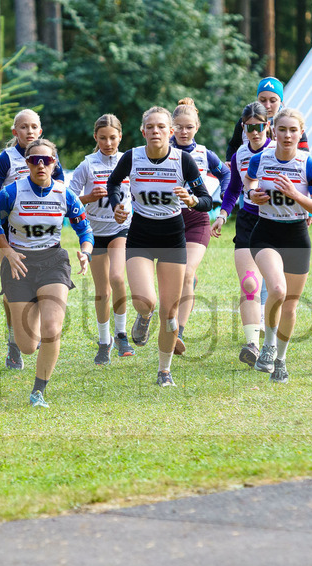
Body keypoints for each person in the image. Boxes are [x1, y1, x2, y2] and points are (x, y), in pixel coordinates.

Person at [106, 106, 213, 387]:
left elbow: (205, 199)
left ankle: (164, 371)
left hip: (172, 237)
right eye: (150, 127)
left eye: (161, 127)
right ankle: (143, 316)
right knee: (146, 301)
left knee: (170, 312)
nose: (155, 131)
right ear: (143, 132)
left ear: (171, 132)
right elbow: (113, 183)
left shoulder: (183, 160)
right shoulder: (132, 157)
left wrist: (191, 201)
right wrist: (117, 204)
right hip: (141, 235)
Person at [0, 138, 93, 407]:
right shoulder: (11, 193)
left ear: (54, 163)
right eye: (35, 160)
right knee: (26, 345)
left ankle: (38, 391)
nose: (41, 165)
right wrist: (7, 250)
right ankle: (25, 318)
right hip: (18, 263)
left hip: (53, 262)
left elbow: (84, 229)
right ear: (27, 164)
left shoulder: (64, 194)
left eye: (46, 160)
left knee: (52, 328)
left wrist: (85, 251)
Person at [245, 108, 312, 382]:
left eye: (293, 130)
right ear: (273, 130)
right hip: (266, 233)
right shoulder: (261, 159)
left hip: (296, 237)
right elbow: (249, 181)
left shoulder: (309, 164)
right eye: (282, 129)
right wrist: (252, 194)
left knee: (290, 305)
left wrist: (295, 195)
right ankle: (267, 347)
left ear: (301, 133)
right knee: (277, 289)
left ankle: (280, 359)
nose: (288, 135)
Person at [0, 109, 66, 370]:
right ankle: (14, 341)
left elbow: (61, 192)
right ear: (14, 132)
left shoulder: (49, 156)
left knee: (42, 286)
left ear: (40, 131)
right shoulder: (6, 159)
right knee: (12, 292)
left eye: (33, 127)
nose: (29, 131)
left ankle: (35, 329)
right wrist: (15, 195)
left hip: (43, 236)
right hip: (10, 234)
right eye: (23, 127)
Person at [68, 113, 135, 364]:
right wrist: (87, 199)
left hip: (120, 228)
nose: (108, 143)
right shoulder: (87, 165)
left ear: (120, 137)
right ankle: (104, 341)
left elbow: (138, 194)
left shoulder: (129, 161)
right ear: (96, 137)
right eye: (103, 138)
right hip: (94, 232)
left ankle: (121, 334)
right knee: (102, 290)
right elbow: (68, 198)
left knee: (117, 278)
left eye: (113, 138)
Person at [170, 97, 231, 355]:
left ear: (197, 127)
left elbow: (227, 174)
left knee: (185, 273)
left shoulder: (205, 154)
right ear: (171, 127)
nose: (184, 132)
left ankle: (178, 333)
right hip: (167, 221)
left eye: (189, 127)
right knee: (178, 277)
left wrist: (222, 210)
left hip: (197, 220)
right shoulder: (159, 150)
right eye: (179, 127)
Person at [214, 101, 272, 366]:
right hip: (248, 222)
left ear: (267, 125)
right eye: (249, 128)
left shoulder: (279, 150)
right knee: (250, 284)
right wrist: (223, 214)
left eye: (259, 126)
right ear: (243, 129)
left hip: (278, 222)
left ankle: (272, 344)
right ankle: (252, 344)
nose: (255, 132)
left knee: (276, 288)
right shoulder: (239, 155)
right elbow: (234, 189)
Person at [226, 77, 309, 161]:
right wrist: (229, 162)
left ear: (281, 101)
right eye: (262, 100)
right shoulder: (247, 120)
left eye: (273, 101)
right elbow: (233, 145)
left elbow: (304, 154)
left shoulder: (291, 122)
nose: (267, 106)